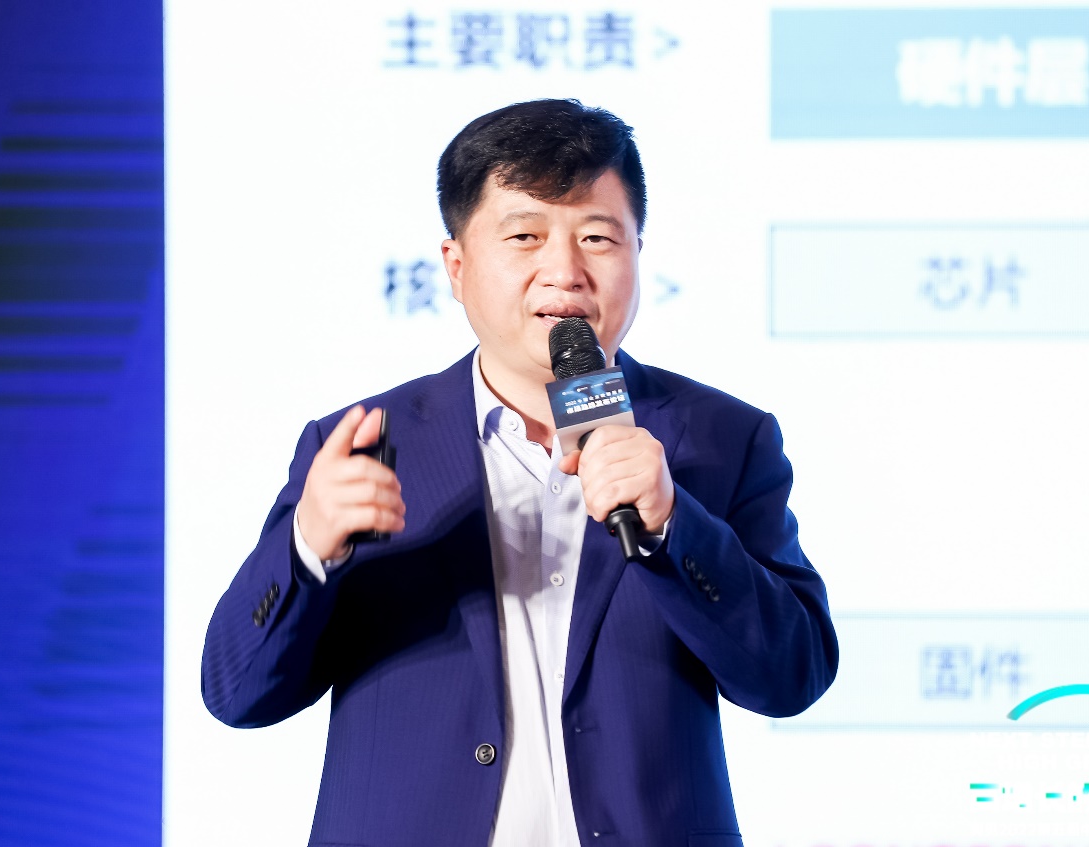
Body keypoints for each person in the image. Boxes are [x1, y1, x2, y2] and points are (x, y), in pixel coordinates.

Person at [202, 98, 838, 847]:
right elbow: (237, 693)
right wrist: (307, 549)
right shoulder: (365, 444)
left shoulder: (724, 438)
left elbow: (790, 677)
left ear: (637, 251)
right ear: (456, 266)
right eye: (525, 236)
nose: (564, 271)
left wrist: (675, 526)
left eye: (597, 237)